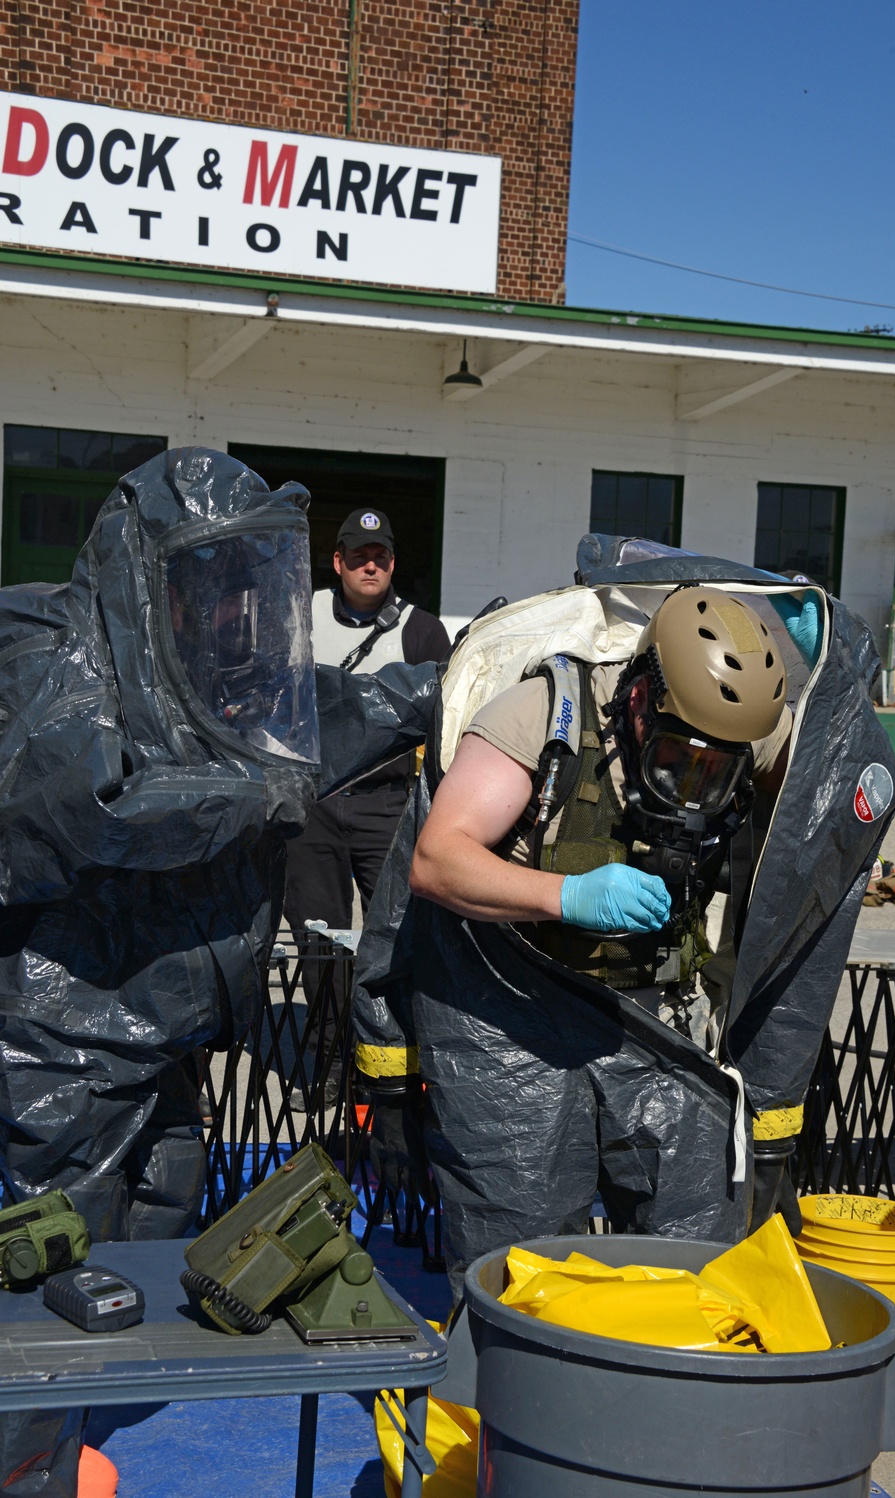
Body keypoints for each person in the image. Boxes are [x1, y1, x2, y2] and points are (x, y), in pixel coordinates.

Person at [0, 451, 438, 1496]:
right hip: (67, 1039)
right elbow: (88, 803)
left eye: (249, 579)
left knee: (156, 1228)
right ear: (145, 568)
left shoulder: (212, 655)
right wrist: (261, 796)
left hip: (170, 1028)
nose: (237, 604)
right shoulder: (51, 648)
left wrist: (444, 684)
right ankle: (30, 1461)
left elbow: (316, 716)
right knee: (49, 1277)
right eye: (215, 576)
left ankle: (67, 1433)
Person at [351, 551, 895, 1298]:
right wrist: (567, 896)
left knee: (697, 1263)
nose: (697, 784)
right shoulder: (542, 712)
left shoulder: (752, 738)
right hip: (512, 1014)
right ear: (642, 701)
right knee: (523, 1264)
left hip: (650, 1018)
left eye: (722, 769)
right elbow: (436, 862)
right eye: (681, 757)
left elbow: (799, 874)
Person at [283, 508, 449, 1106]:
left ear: (393, 563)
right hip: (315, 809)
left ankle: (397, 1061)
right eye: (357, 554)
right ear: (337, 562)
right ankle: (330, 1062)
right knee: (318, 942)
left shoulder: (424, 633)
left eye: (380, 554)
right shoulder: (298, 620)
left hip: (389, 809)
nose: (369, 564)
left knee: (400, 937)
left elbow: (447, 724)